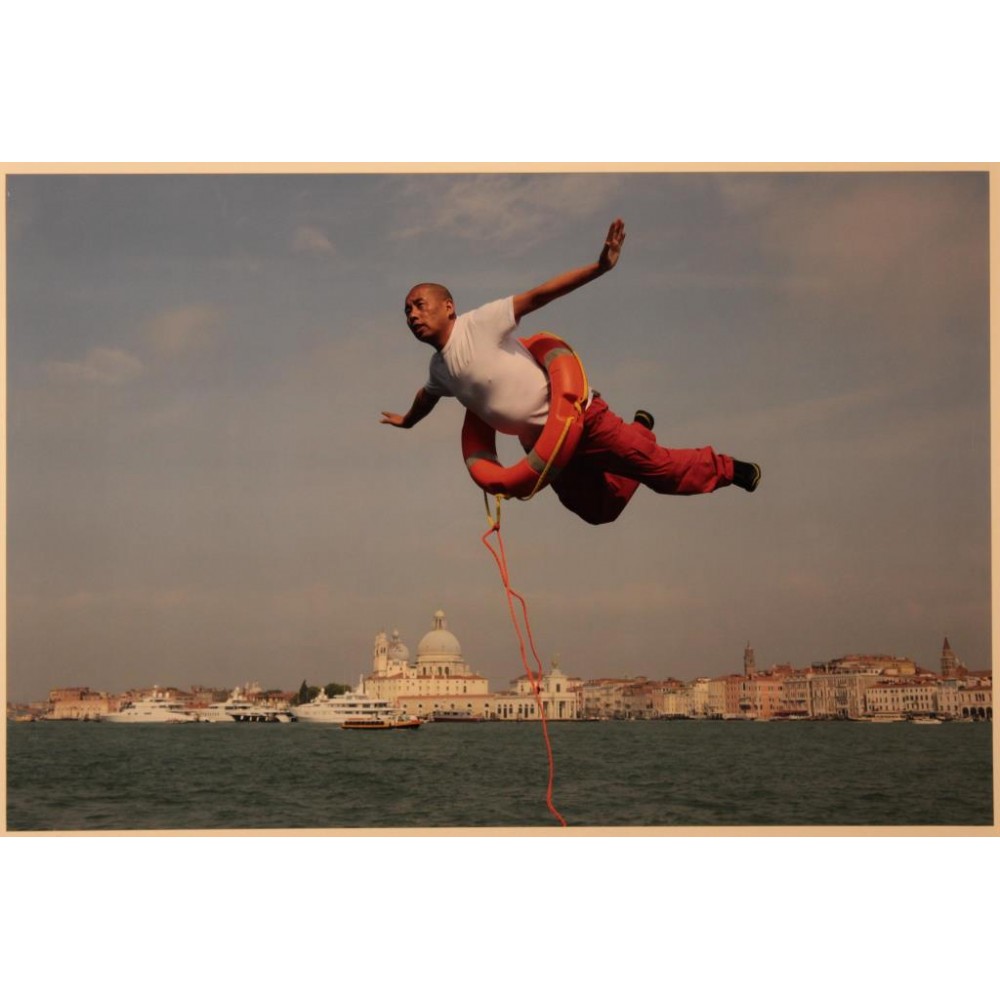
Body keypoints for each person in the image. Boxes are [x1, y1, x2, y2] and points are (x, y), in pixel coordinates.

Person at [380, 219, 761, 525]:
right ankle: (641, 430)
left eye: (419, 305)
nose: (412, 315)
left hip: (584, 419)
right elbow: (427, 395)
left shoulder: (480, 323)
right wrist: (409, 420)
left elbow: (539, 295)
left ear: (448, 306)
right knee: (600, 511)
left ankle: (728, 469)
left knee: (659, 470)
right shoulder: (440, 369)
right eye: (407, 312)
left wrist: (600, 267)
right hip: (548, 450)